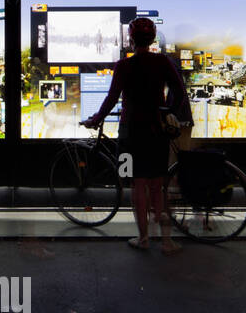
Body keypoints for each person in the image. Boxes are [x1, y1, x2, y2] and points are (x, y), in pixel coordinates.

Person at [82, 17, 191, 254]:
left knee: (136, 184)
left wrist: (95, 120)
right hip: (157, 133)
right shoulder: (162, 61)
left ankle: (143, 238)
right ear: (152, 39)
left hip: (130, 134)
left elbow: (111, 99)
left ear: (131, 40)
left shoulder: (124, 66)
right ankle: (166, 242)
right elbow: (180, 92)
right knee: (157, 185)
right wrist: (168, 111)